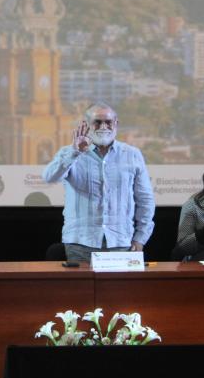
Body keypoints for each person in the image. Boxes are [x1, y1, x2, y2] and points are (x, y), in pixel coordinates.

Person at [42, 102, 155, 263]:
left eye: (108, 122)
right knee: (81, 289)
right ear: (86, 125)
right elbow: (49, 177)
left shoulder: (132, 155)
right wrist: (75, 152)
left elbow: (145, 201)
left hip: (121, 242)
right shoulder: (70, 152)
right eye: (97, 122)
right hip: (80, 243)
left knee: (121, 289)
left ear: (116, 124)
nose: (103, 126)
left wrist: (140, 238)